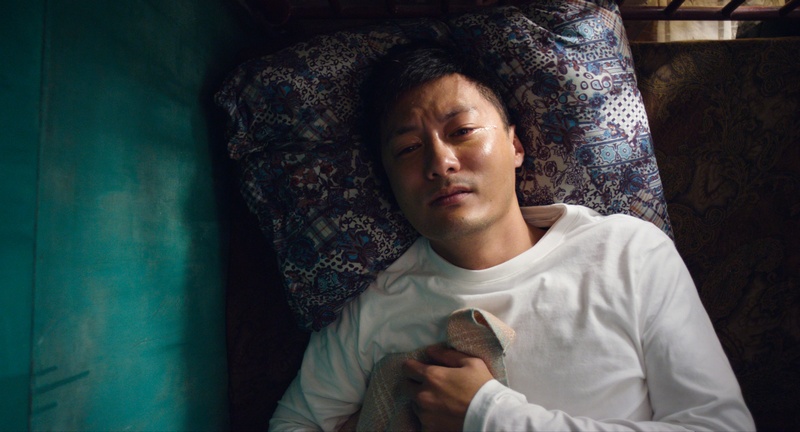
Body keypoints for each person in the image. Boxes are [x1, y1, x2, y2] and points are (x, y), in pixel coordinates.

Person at [268, 42, 755, 431]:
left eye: (461, 131)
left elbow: (722, 425)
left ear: (515, 145)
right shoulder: (372, 302)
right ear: (389, 181)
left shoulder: (627, 252)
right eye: (409, 148)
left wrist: (487, 415)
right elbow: (293, 423)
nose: (440, 163)